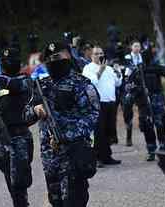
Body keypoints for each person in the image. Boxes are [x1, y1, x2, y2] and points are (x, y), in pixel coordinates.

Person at [34, 41, 100, 206]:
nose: (53, 60)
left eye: (57, 56)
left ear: (68, 56)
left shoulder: (82, 84)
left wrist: (68, 134)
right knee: (55, 200)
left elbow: (93, 114)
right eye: (49, 58)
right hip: (50, 157)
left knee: (75, 200)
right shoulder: (42, 86)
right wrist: (35, 110)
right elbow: (25, 114)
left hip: (74, 153)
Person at [0, 47, 37, 207]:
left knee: (20, 180)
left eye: (11, 62)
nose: (8, 65)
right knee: (10, 179)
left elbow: (13, 84)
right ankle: (20, 202)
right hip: (2, 139)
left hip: (20, 138)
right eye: (6, 63)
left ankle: (22, 202)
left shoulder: (24, 81)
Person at [124, 40, 165, 161]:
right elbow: (129, 85)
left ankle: (164, 146)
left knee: (160, 123)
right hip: (143, 101)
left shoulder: (155, 68)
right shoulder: (136, 70)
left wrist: (160, 65)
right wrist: (135, 90)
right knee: (147, 126)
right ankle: (151, 150)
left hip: (157, 99)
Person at [83, 46, 122, 167]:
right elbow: (91, 82)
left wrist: (118, 72)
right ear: (91, 56)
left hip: (110, 102)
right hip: (97, 104)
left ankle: (107, 156)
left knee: (109, 130)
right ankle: (98, 157)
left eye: (101, 53)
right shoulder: (88, 68)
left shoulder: (109, 68)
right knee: (99, 131)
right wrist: (100, 70)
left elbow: (117, 83)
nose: (99, 55)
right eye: (96, 54)